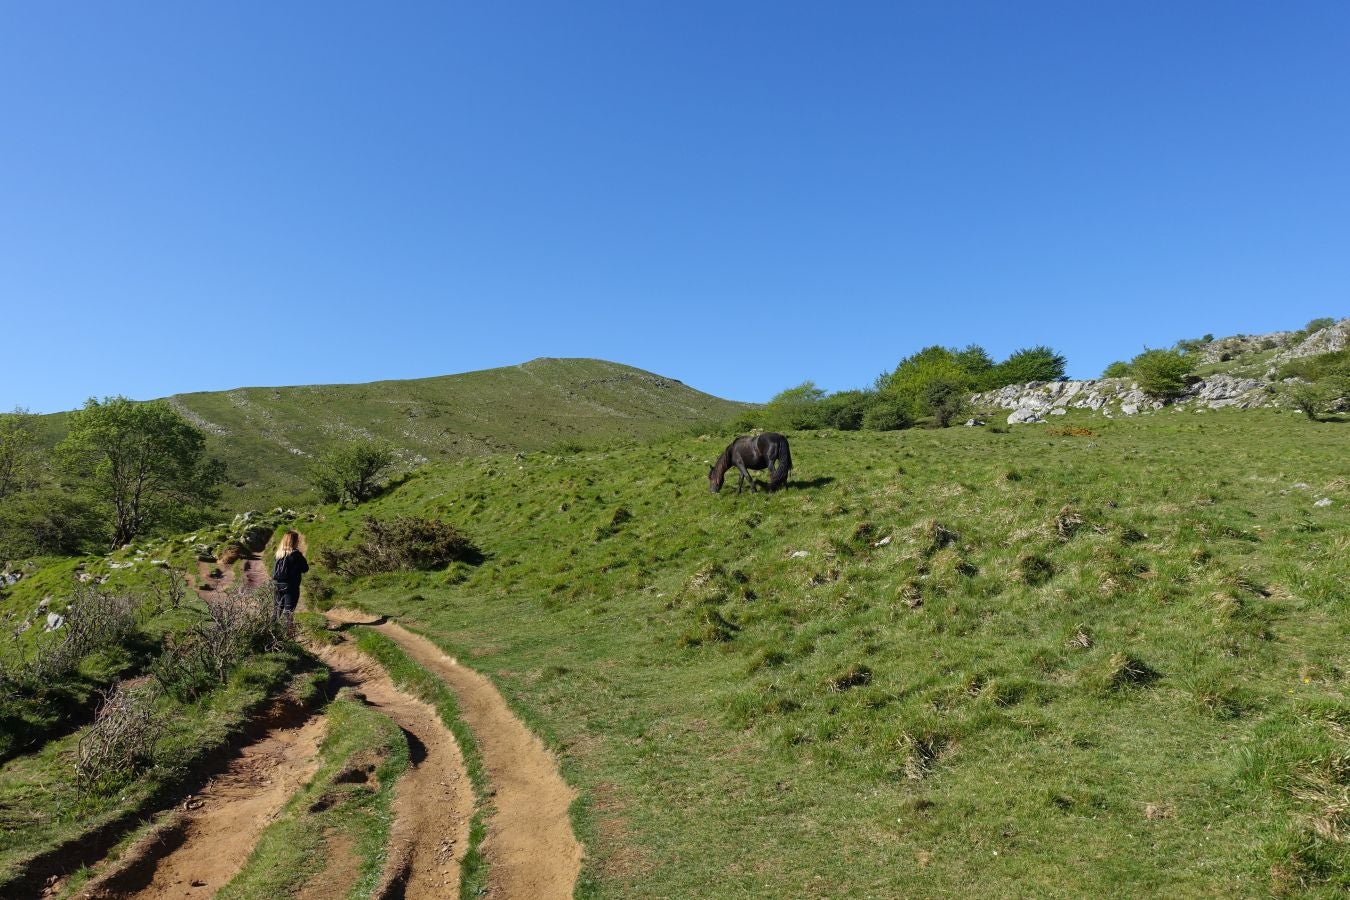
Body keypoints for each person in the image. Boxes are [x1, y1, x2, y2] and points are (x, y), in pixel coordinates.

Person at [272, 529, 309, 634]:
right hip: (291, 587)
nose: (299, 541)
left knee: (276, 611)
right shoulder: (296, 555)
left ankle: (269, 632)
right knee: (288, 612)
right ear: (294, 541)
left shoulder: (278, 554)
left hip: (277, 585)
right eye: (298, 540)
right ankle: (289, 635)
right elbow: (305, 569)